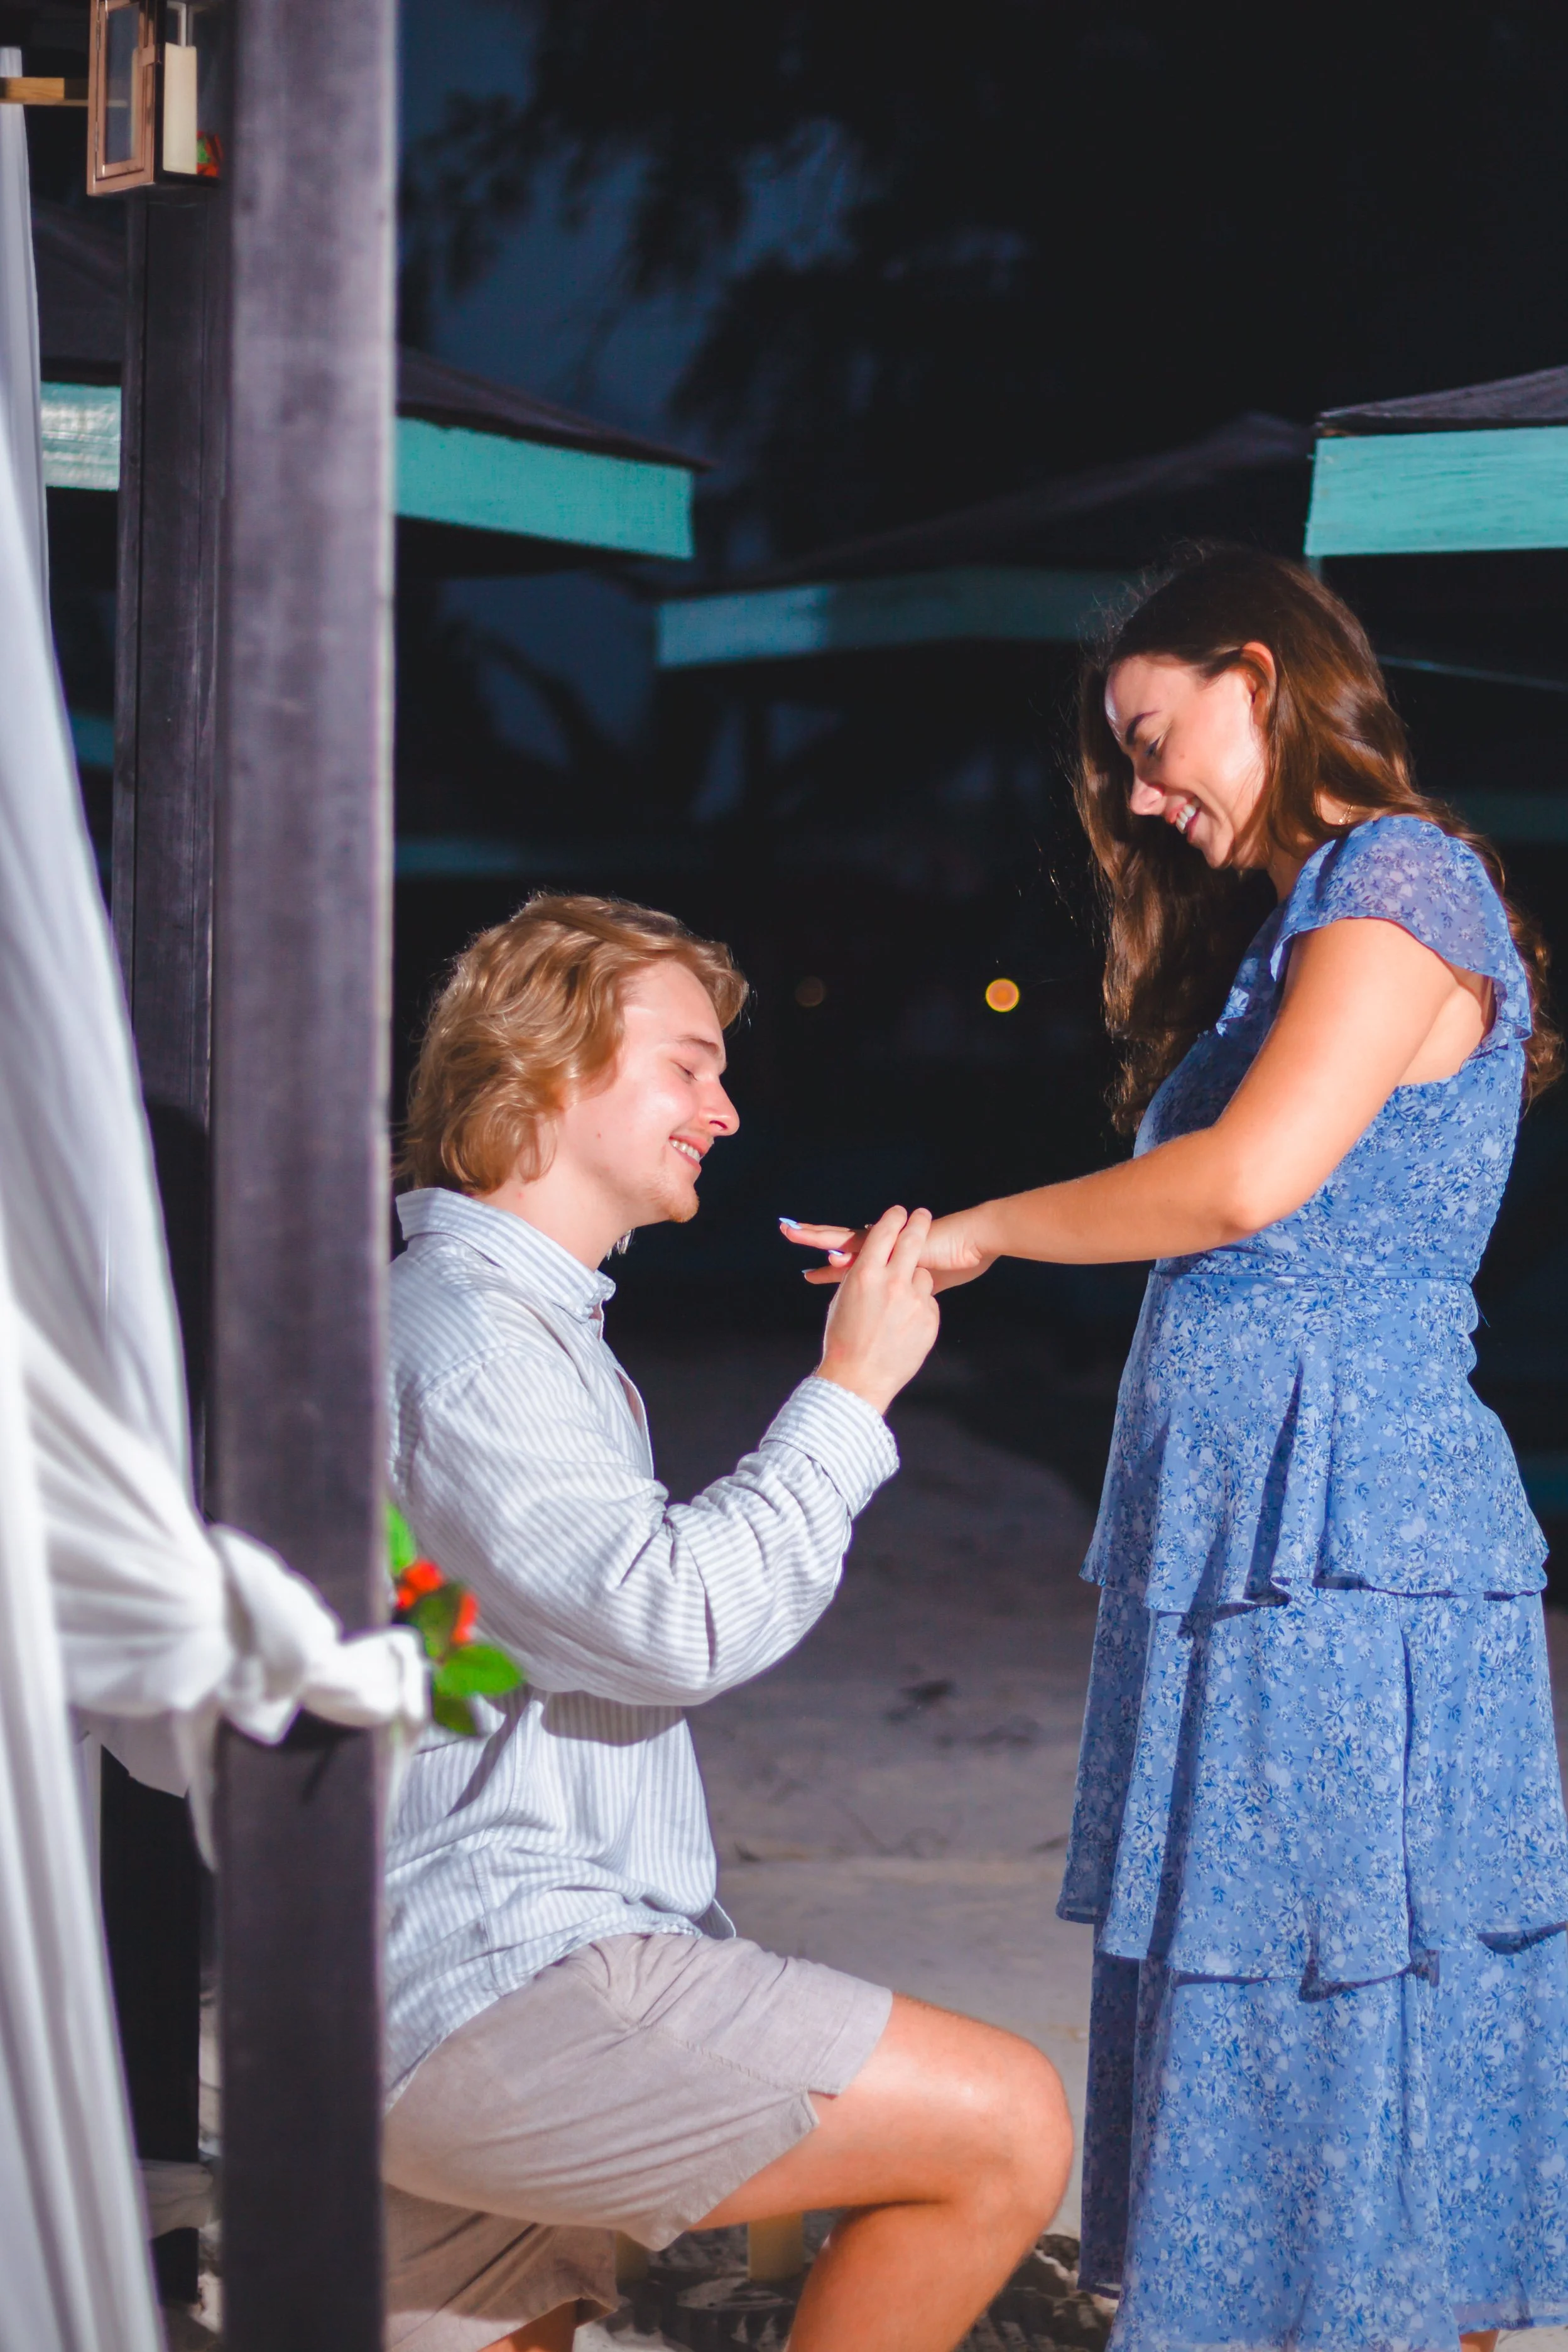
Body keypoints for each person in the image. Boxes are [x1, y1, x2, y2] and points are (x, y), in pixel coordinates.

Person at [787, 548, 1568, 2352]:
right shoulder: (1309, 919)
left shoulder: (1399, 878)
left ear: (1263, 678)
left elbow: (1240, 1184)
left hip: (1343, 1532)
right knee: (1314, 1993)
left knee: (1329, 1992)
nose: (1145, 796)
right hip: (1266, 1531)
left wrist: (976, 1230)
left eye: (1155, 740)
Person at [381, 895, 1072, 2352]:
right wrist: (851, 1389)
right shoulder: (471, 1341)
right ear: (546, 1068)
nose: (727, 1106)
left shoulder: (490, 1324)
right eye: (687, 1065)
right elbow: (673, 1616)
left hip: (439, 1971)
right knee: (1005, 2126)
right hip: (504, 1980)